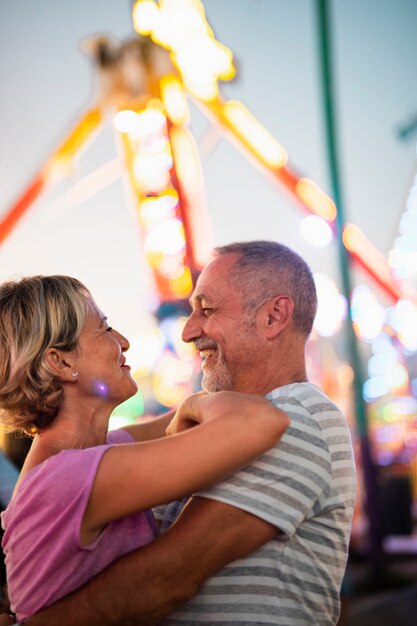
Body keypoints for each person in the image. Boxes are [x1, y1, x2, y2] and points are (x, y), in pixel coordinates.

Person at [1, 240, 356, 626]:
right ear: (60, 361)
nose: (187, 332)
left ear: (273, 317)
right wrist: (193, 405)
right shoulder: (76, 471)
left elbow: (168, 576)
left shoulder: (297, 414)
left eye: (206, 309)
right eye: (105, 329)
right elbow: (163, 580)